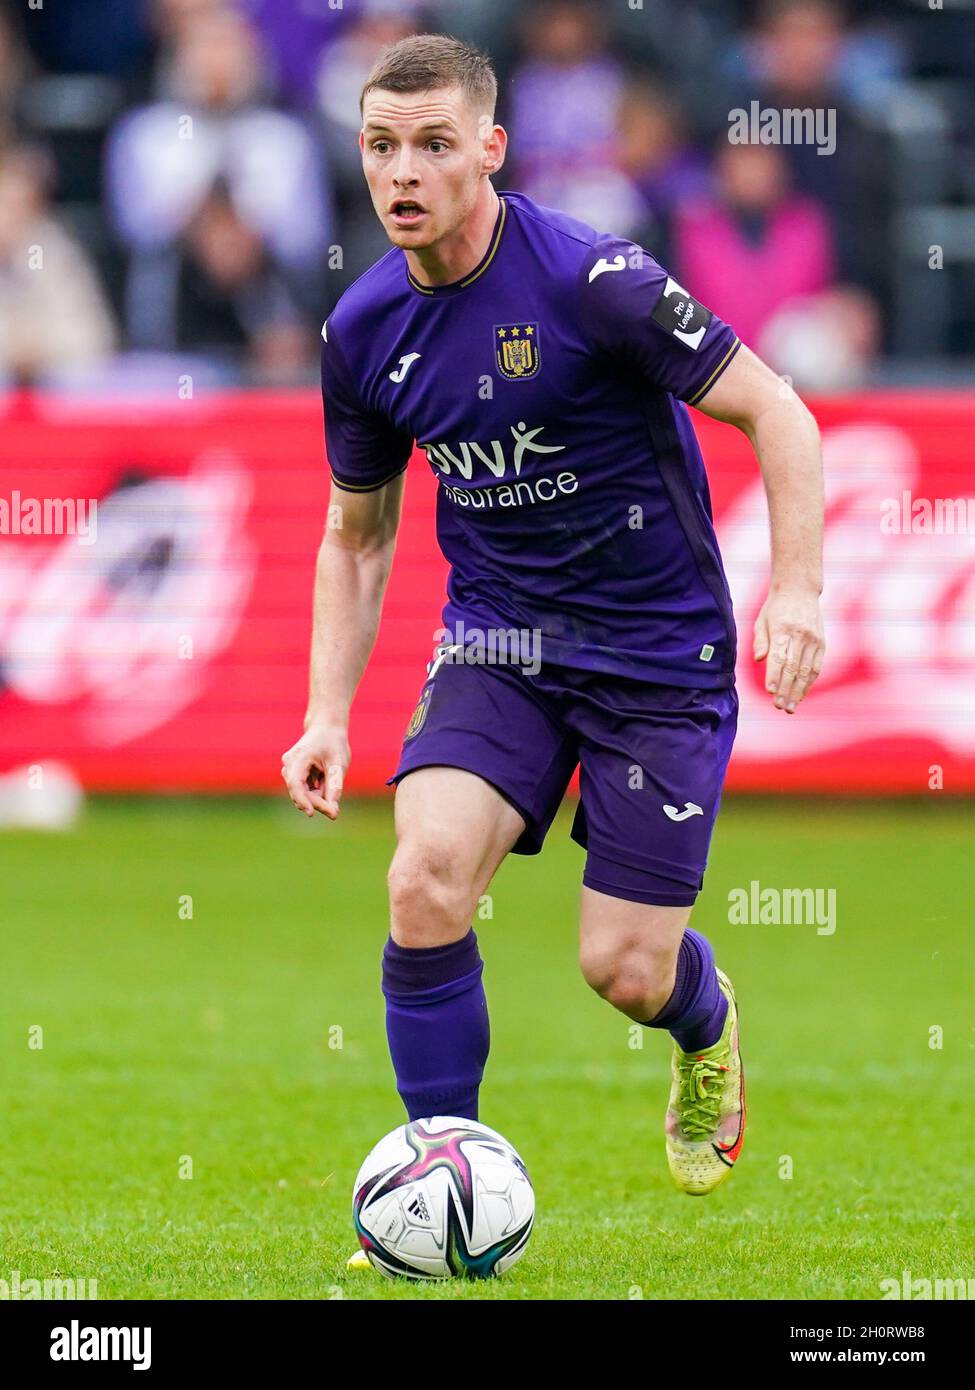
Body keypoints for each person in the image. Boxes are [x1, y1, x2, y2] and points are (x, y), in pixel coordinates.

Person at [280, 35, 825, 1249]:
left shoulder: (594, 281)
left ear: (491, 148)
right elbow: (357, 536)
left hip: (653, 653)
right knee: (422, 880)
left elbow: (778, 412)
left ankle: (704, 1022)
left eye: (431, 145)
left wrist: (796, 593)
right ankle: (446, 1188)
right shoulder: (363, 332)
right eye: (380, 146)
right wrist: (327, 712)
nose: (402, 172)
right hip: (500, 641)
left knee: (624, 969)